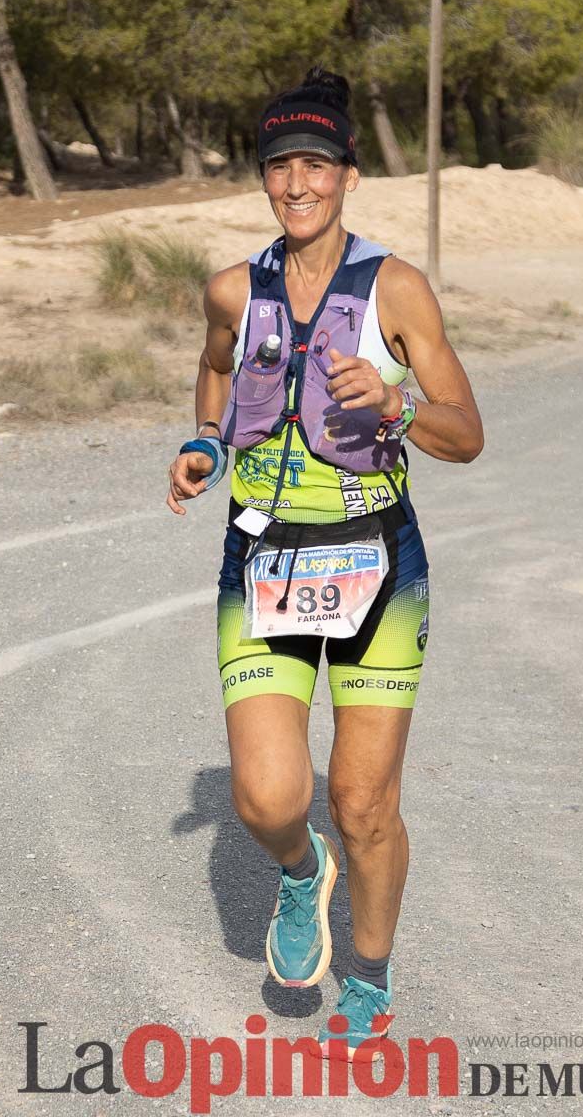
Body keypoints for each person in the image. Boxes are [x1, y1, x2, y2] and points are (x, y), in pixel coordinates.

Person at [166, 66, 483, 1058]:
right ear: (263, 181)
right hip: (261, 562)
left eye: (314, 163)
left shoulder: (395, 289)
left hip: (376, 561)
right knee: (268, 798)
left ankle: (372, 971)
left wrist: (394, 406)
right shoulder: (233, 288)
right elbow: (218, 366)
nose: (294, 182)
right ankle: (303, 876)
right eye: (277, 166)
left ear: (349, 174)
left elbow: (467, 431)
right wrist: (208, 443)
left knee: (362, 801)